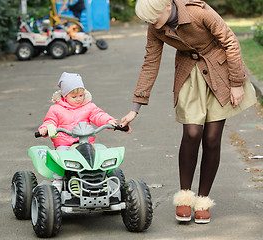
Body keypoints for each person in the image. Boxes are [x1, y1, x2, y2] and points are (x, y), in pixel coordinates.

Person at [120, 0, 256, 224]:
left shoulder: (196, 11)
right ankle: (185, 197)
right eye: (148, 21)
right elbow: (150, 62)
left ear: (165, 7)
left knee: (212, 138)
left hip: (219, 72)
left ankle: (202, 200)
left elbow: (230, 41)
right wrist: (136, 107)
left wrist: (237, 82)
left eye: (154, 18)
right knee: (192, 133)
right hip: (189, 74)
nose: (152, 25)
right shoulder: (155, 26)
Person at [39, 72, 117, 191]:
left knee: (98, 158)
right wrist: (45, 129)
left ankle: (103, 181)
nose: (78, 99)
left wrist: (109, 121)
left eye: (81, 95)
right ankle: (58, 180)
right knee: (59, 157)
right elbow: (50, 121)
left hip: (85, 142)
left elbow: (98, 115)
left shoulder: (88, 106)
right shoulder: (56, 109)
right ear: (65, 96)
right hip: (65, 143)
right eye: (74, 97)